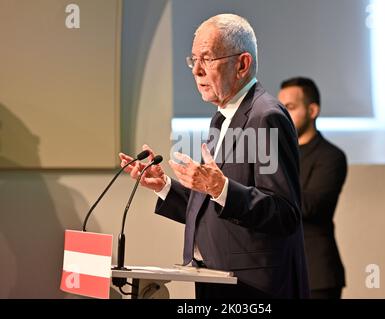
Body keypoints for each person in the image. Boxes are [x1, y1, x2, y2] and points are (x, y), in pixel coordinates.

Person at [119, 14, 309, 299]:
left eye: (207, 59)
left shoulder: (265, 116)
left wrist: (219, 187)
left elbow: (285, 213)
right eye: (193, 59)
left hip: (255, 288)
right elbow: (214, 209)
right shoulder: (222, 118)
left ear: (242, 64)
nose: (196, 70)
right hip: (218, 280)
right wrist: (165, 187)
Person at [278, 77, 347, 299]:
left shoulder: (331, 156)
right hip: (278, 271)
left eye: (290, 107)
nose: (283, 115)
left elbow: (313, 206)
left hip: (316, 273)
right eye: (280, 108)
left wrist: (269, 184)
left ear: (313, 110)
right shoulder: (276, 155)